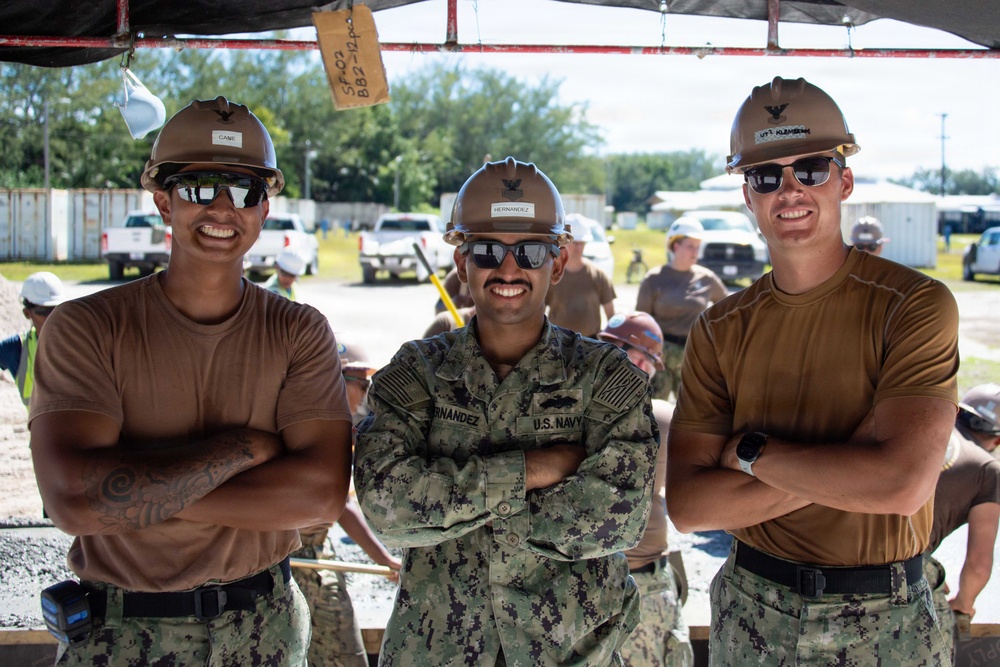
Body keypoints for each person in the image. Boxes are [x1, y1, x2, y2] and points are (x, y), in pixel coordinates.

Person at [29, 96, 355, 665]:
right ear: (163, 200)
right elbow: (76, 501)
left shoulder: (297, 330)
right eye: (201, 188)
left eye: (246, 191)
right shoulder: (88, 327)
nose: (224, 209)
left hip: (263, 631)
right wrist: (243, 449)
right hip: (123, 635)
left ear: (265, 208)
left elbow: (321, 495)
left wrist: (140, 495)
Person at [666, 76, 960, 666]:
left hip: (887, 621)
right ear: (748, 196)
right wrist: (848, 465)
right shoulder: (720, 330)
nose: (790, 190)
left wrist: (750, 455)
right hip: (754, 612)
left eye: (812, 169)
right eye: (766, 176)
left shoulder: (914, 306)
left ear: (844, 180)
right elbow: (691, 506)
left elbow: (901, 487)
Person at [354, 156, 659, 666]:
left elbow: (619, 514)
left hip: (573, 653)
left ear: (557, 263)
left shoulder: (606, 378)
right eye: (488, 251)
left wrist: (451, 507)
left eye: (532, 251)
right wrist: (534, 470)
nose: (509, 268)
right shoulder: (416, 373)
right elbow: (388, 510)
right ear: (461, 264)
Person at [293, 335, 402, 667]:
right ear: (332, 380)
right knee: (345, 657)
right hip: (299, 559)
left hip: (314, 551)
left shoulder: (328, 425)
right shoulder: (317, 429)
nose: (365, 394)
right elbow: (340, 506)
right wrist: (386, 560)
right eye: (361, 383)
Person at [597, 312, 694, 667]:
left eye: (644, 361)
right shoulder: (563, 418)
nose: (635, 367)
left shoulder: (664, 418)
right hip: (603, 585)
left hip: (635, 586)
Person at [924, 383, 1000, 662]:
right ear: (998, 440)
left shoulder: (925, 430)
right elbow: (979, 564)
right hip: (900, 562)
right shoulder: (987, 469)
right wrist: (963, 605)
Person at [635, 218, 728, 402]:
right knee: (654, 408)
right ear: (675, 246)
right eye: (690, 246)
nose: (696, 251)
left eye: (698, 246)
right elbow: (641, 321)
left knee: (692, 408)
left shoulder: (707, 278)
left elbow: (729, 309)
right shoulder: (654, 279)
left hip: (693, 355)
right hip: (659, 355)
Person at [0, 271, 65, 407]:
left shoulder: (83, 342)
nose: (52, 316)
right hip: (40, 428)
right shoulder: (15, 348)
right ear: (27, 313)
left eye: (57, 309)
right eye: (44, 311)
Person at [544, 220, 616, 338]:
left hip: (591, 345)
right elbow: (538, 310)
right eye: (574, 243)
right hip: (558, 343)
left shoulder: (598, 275)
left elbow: (612, 316)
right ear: (564, 243)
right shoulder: (552, 275)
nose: (578, 248)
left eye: (581, 243)